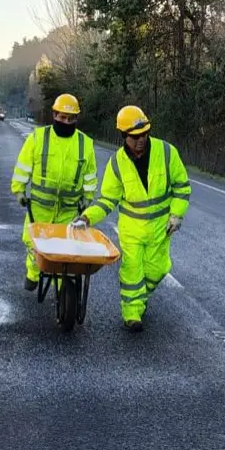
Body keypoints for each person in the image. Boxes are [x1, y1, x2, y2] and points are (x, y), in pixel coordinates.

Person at [72, 105, 190, 332]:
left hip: (160, 228)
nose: (140, 140)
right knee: (132, 270)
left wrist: (176, 214)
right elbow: (108, 200)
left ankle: (139, 299)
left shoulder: (167, 152)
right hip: (131, 229)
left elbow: (182, 187)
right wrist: (86, 218)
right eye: (135, 136)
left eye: (144, 134)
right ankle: (132, 314)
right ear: (123, 135)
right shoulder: (117, 163)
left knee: (157, 270)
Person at [11, 93, 98, 291]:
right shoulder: (38, 138)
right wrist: (19, 191)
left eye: (70, 118)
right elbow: (23, 166)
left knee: (65, 252)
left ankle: (63, 289)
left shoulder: (85, 144)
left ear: (76, 118)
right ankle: (33, 274)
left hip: (69, 209)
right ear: (54, 115)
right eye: (62, 117)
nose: (65, 122)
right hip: (39, 208)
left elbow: (90, 176)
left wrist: (87, 198)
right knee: (34, 246)